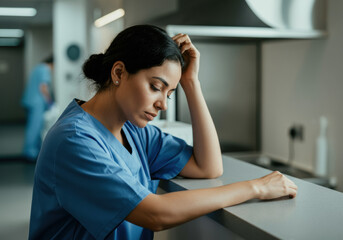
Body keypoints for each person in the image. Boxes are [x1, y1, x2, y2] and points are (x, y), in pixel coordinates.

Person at [28, 25, 297, 240]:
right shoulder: (74, 140)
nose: (163, 105)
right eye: (156, 87)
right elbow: (154, 213)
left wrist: (191, 83)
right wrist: (257, 187)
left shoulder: (135, 133)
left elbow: (209, 167)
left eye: (170, 93)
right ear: (119, 72)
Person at [21, 55, 54, 161]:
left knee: (33, 127)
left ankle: (33, 150)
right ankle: (30, 153)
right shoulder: (45, 69)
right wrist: (50, 101)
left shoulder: (38, 68)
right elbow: (43, 88)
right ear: (53, 64)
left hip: (31, 100)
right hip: (37, 103)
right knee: (35, 128)